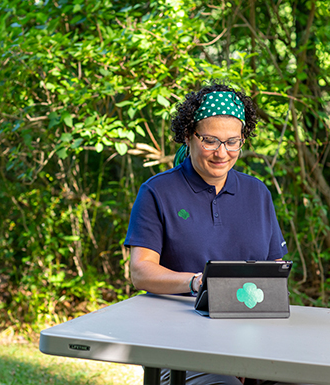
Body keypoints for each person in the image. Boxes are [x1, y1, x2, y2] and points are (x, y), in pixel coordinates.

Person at [124, 80, 289, 385]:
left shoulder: (257, 193)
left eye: (232, 141)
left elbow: (274, 274)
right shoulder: (158, 191)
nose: (221, 153)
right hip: (177, 343)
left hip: (253, 338)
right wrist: (198, 283)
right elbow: (140, 271)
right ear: (188, 135)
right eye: (210, 140)